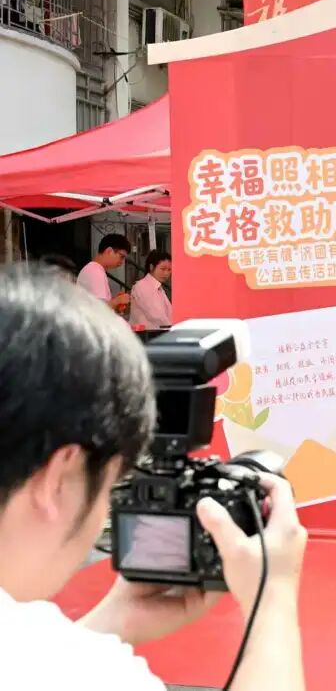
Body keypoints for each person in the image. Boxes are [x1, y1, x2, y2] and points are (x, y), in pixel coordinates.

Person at [0, 263, 308, 691]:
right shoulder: (98, 675)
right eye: (113, 482)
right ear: (58, 480)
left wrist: (115, 621)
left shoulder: (32, 637)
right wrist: (273, 596)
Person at [76, 233, 132, 313]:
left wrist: (115, 304)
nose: (122, 262)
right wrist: (117, 301)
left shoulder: (95, 269)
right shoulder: (95, 272)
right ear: (109, 251)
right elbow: (99, 310)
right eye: (121, 256)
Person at [129, 250, 173, 329]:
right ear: (151, 267)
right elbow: (156, 315)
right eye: (163, 269)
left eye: (169, 270)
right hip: (146, 334)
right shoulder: (142, 286)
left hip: (157, 333)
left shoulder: (158, 287)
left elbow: (169, 314)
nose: (166, 273)